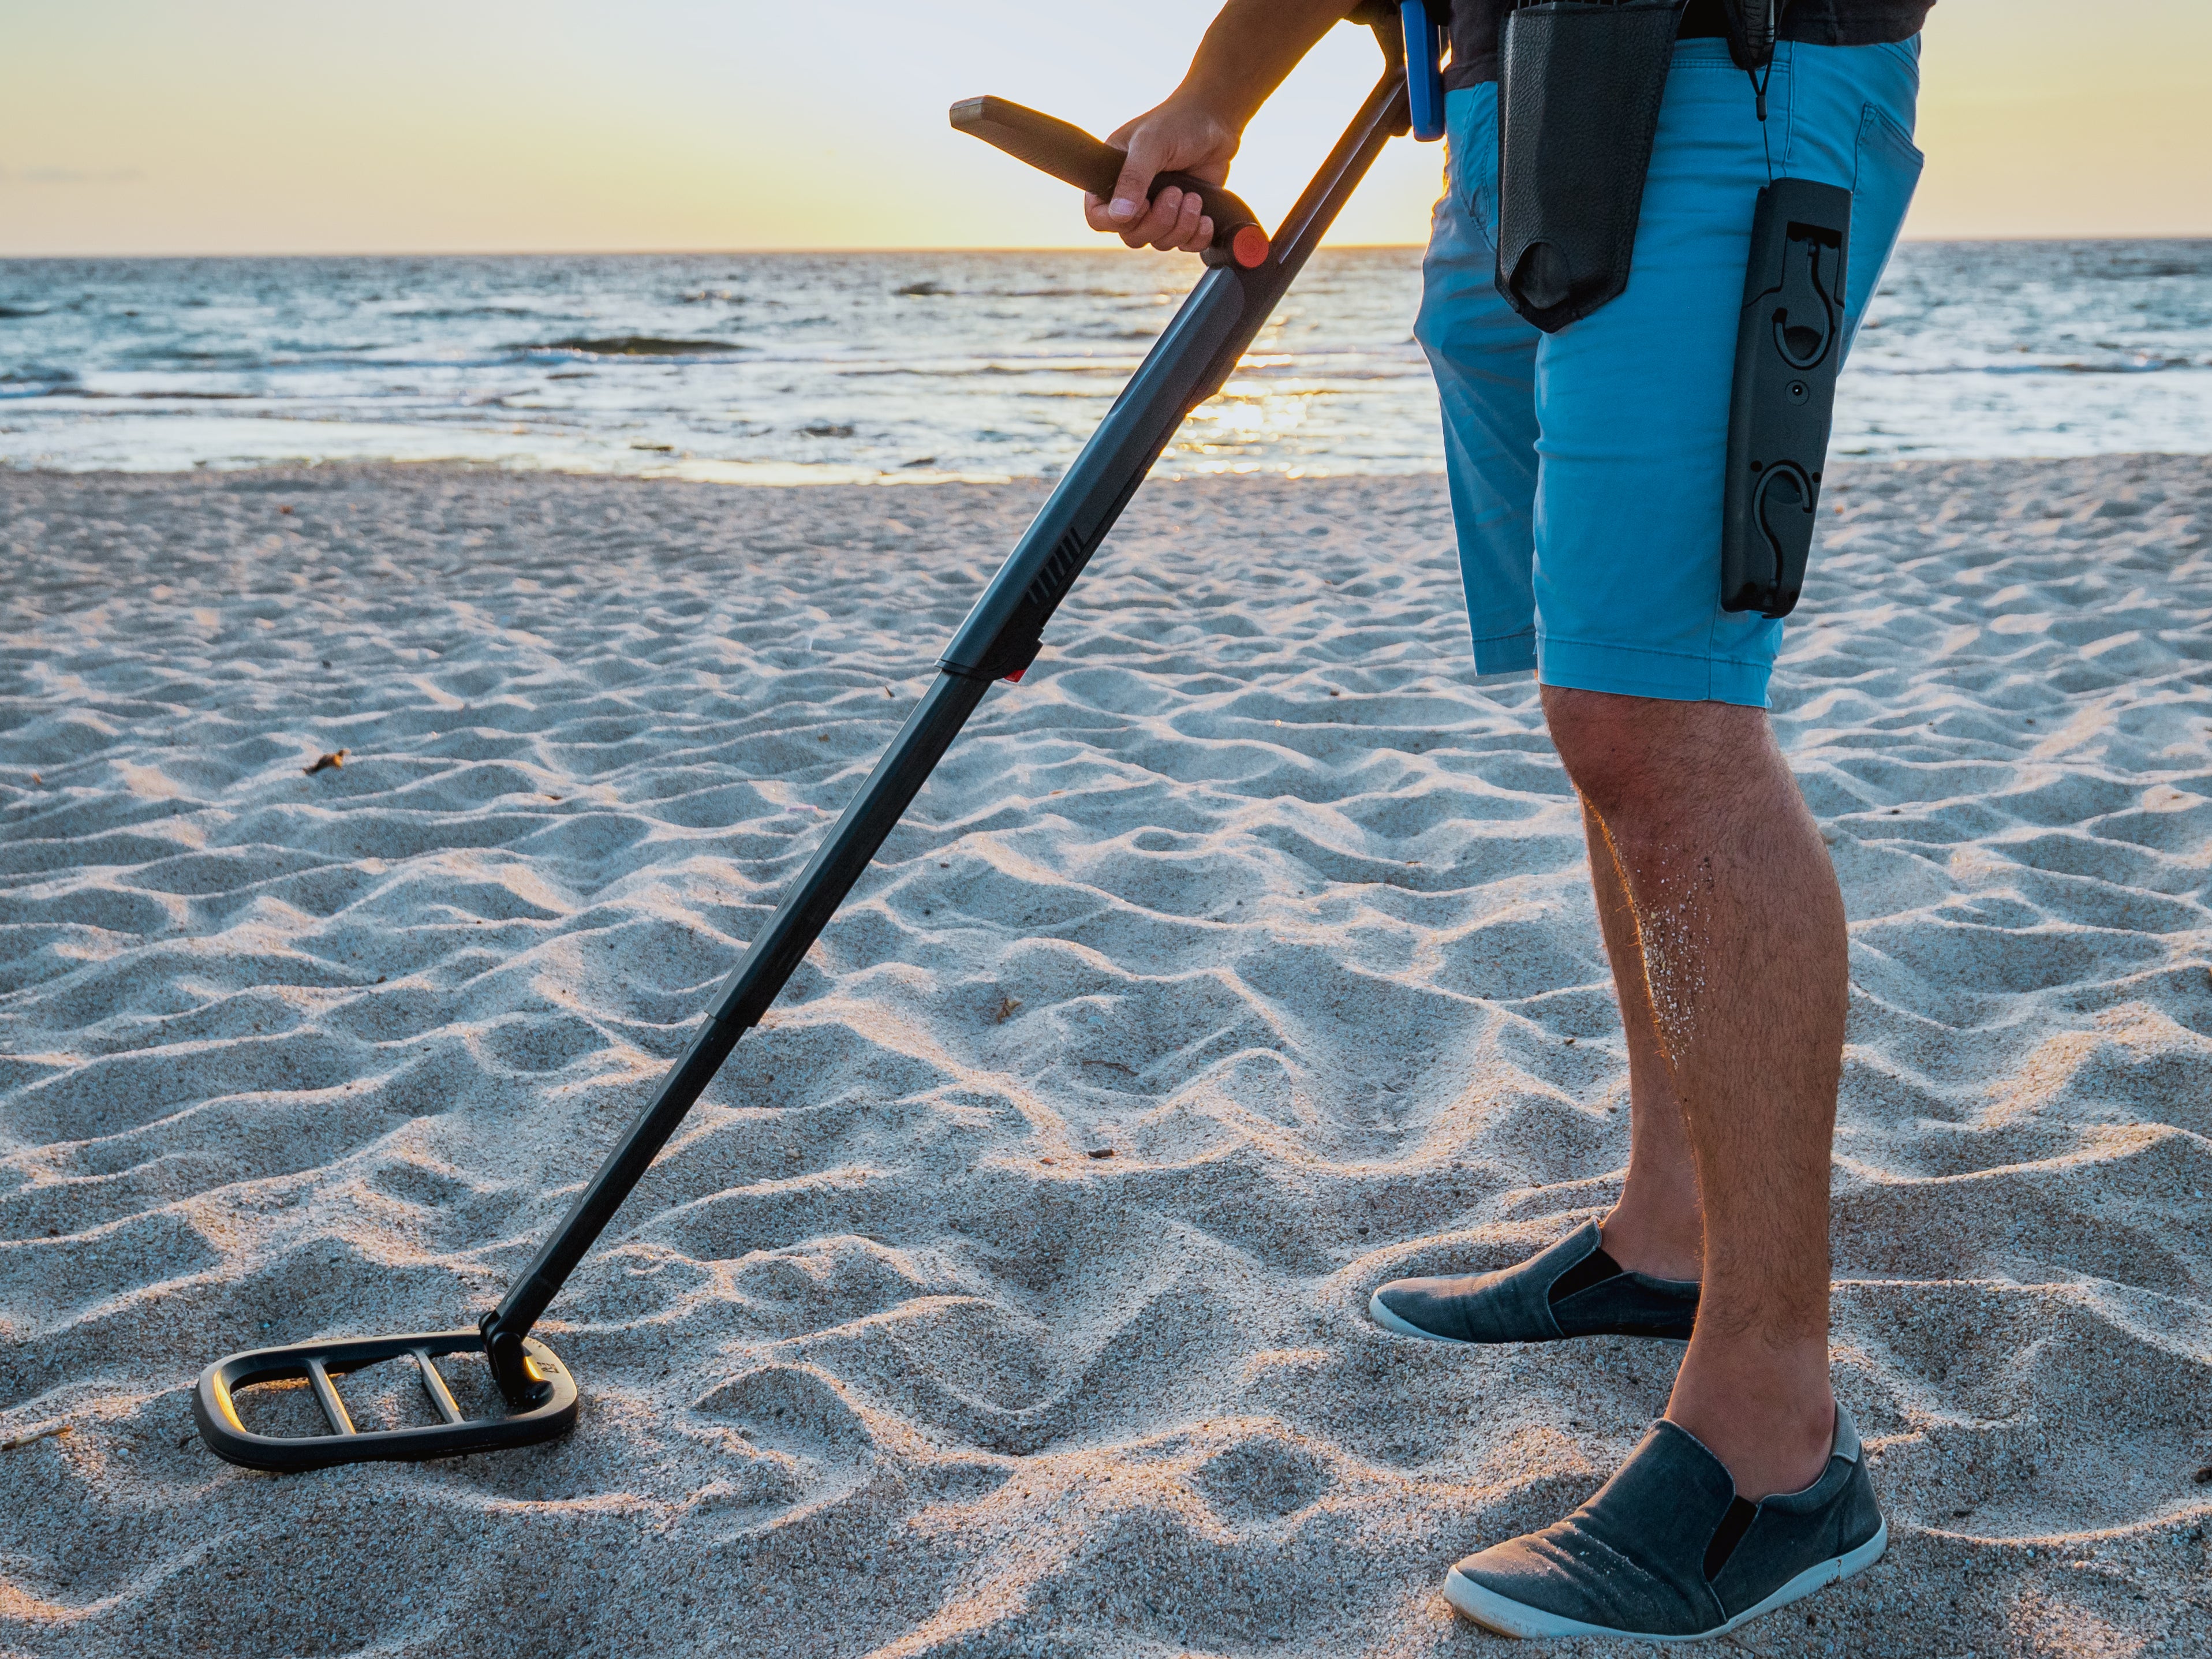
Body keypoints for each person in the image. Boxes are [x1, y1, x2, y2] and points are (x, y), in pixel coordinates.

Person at [1082, 0, 1930, 1641]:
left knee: (1664, 712)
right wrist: (1215, 95)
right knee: (1600, 702)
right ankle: (1670, 1233)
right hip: (1507, 102)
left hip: (1724, 67)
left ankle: (1776, 1440)